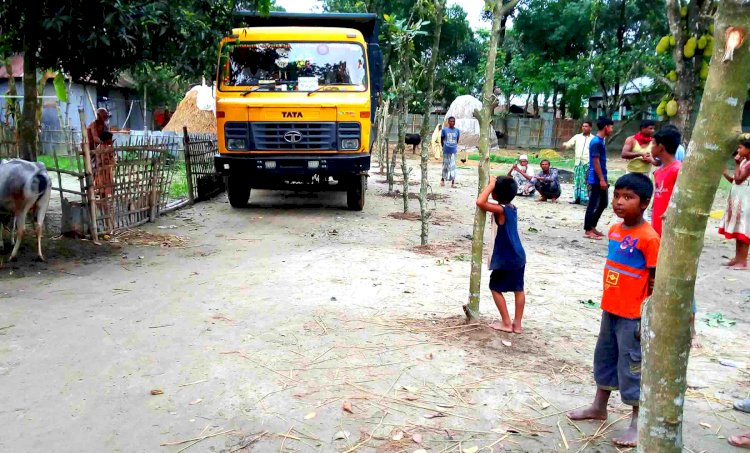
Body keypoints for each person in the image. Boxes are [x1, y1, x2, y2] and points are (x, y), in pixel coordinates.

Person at [568, 173, 660, 448]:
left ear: (644, 203)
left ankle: (637, 421)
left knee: (632, 365)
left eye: (628, 197)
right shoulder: (614, 230)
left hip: (633, 315)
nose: (619, 202)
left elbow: (654, 281)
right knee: (605, 356)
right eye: (617, 195)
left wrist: (648, 317)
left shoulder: (650, 238)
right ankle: (599, 405)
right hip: (611, 309)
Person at [650, 127, 700, 347]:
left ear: (661, 146)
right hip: (657, 233)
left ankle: (692, 328)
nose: (650, 147)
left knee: (681, 279)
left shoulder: (678, 170)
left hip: (673, 235)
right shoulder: (659, 172)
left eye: (653, 143)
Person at [476, 176, 526, 334]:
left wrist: (490, 185)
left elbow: (480, 202)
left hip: (507, 258)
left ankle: (506, 322)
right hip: (519, 255)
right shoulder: (512, 207)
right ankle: (517, 324)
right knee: (519, 289)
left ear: (495, 194)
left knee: (495, 287)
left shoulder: (501, 210)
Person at [719, 140, 750, 270]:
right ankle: (737, 258)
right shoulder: (743, 161)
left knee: (744, 230)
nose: (738, 151)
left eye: (741, 148)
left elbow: (738, 180)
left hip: (746, 201)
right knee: (738, 230)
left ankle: (742, 261)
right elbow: (734, 180)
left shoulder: (747, 164)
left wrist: (736, 164)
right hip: (738, 200)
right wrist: (725, 173)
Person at [584, 117, 614, 240]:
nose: (612, 130)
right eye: (611, 127)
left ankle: (592, 226)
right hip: (596, 178)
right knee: (593, 204)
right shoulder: (596, 142)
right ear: (606, 127)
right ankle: (588, 229)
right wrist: (601, 179)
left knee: (603, 203)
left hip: (601, 176)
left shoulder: (600, 141)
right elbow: (595, 162)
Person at [561, 120, 593, 204]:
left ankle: (586, 199)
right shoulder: (577, 137)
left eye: (586, 126)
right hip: (578, 163)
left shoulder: (593, 139)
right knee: (577, 181)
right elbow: (569, 144)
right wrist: (565, 145)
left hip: (588, 163)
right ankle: (577, 198)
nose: (584, 128)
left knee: (586, 181)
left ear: (590, 128)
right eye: (583, 126)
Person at [441, 116, 460, 187]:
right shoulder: (444, 130)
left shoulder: (457, 130)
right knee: (445, 165)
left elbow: (457, 140)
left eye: (453, 121)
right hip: (446, 150)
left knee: (453, 166)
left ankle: (453, 182)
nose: (452, 122)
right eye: (451, 121)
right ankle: (442, 180)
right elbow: (441, 139)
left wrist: (453, 146)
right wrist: (444, 146)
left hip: (453, 151)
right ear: (448, 122)